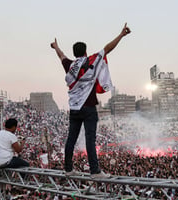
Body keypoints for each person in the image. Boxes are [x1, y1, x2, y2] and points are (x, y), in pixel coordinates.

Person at [50, 23, 131, 178]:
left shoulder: (69, 65)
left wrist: (56, 46)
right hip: (88, 108)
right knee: (90, 140)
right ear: (85, 52)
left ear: (74, 53)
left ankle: (68, 169)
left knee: (71, 139)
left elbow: (61, 55)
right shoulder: (91, 61)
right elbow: (108, 48)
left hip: (74, 109)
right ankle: (95, 171)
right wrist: (121, 35)